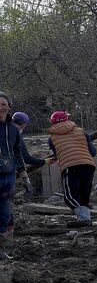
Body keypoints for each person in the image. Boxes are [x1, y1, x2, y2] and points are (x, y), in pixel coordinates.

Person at [0, 94, 46, 244]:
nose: (1, 107)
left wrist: (25, 178)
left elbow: (18, 154)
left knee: (5, 212)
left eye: (3, 104)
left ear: (9, 107)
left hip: (8, 176)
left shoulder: (13, 130)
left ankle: (3, 246)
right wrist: (43, 162)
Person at [47, 111, 97, 227]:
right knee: (84, 194)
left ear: (52, 122)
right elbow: (93, 152)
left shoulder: (52, 138)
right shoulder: (82, 132)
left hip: (69, 166)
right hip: (88, 165)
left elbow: (58, 154)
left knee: (70, 196)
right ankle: (84, 218)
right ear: (68, 119)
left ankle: (83, 217)